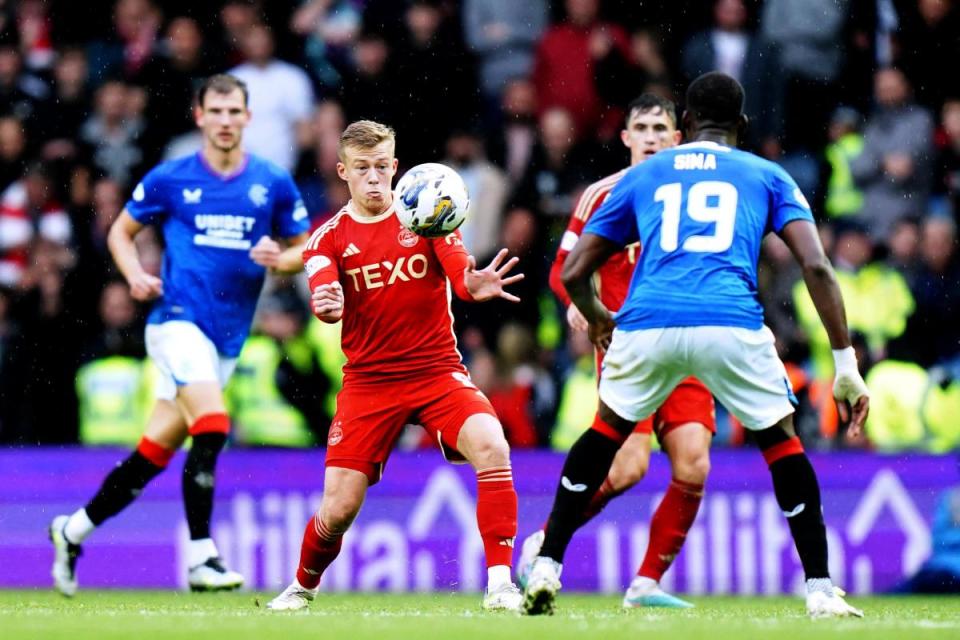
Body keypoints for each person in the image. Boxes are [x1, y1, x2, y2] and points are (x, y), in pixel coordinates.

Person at [523, 72, 870, 619]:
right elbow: (817, 267)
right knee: (781, 445)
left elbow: (573, 270)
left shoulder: (644, 176)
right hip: (728, 322)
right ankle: (821, 589)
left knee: (604, 436)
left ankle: (547, 563)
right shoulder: (767, 174)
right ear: (744, 126)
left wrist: (597, 319)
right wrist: (845, 362)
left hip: (648, 324)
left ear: (683, 126)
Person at [48, 74, 311, 595]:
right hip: (175, 323)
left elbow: (306, 246)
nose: (226, 121)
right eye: (216, 111)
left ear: (248, 118)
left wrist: (280, 259)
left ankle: (72, 530)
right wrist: (134, 275)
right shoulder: (172, 177)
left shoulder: (272, 181)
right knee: (212, 425)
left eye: (235, 112)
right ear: (200, 116)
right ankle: (201, 555)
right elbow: (120, 231)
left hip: (228, 339)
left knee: (153, 455)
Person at [266, 120, 526, 612]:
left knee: (492, 445)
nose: (373, 178)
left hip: (436, 372)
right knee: (338, 509)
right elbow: (324, 293)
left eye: (382, 167)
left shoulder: (426, 218)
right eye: (362, 168)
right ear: (343, 171)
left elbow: (461, 276)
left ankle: (500, 585)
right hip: (369, 383)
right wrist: (327, 303)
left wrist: (476, 285)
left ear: (395, 168)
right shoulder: (328, 238)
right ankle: (302, 586)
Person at [516, 94, 715, 609]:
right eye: (641, 128)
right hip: (627, 346)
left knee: (693, 464)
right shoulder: (603, 195)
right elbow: (565, 268)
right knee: (628, 468)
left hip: (689, 344)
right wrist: (579, 307)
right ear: (626, 138)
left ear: (678, 139)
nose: (651, 137)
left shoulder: (698, 197)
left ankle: (646, 584)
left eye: (661, 128)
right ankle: (545, 541)